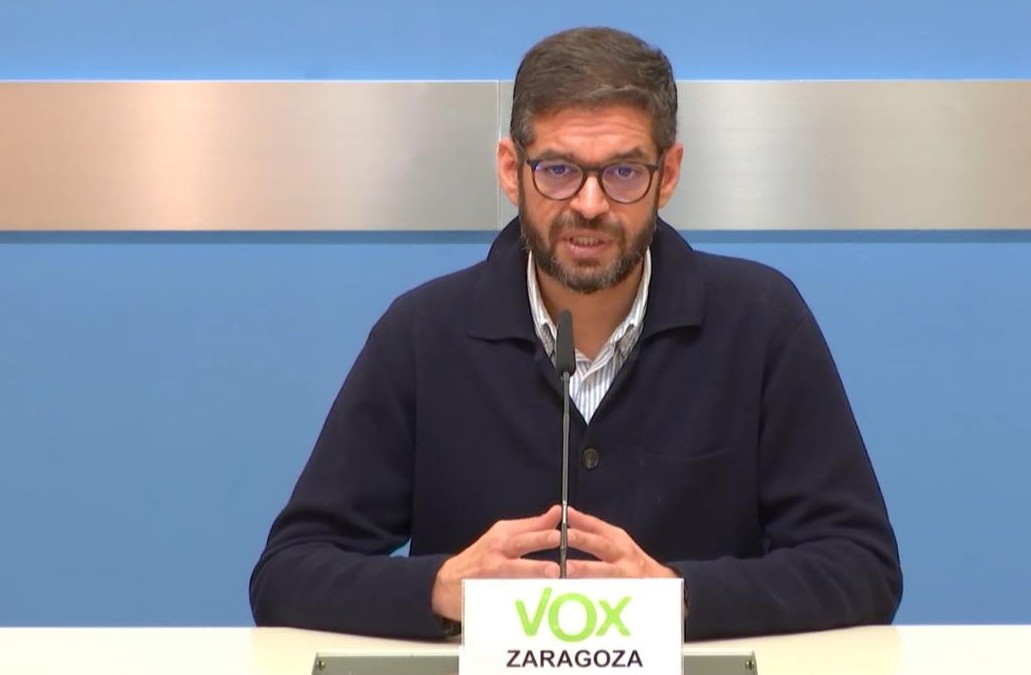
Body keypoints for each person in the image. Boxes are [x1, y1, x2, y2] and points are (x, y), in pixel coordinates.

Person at [249, 26, 901, 641]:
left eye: (623, 172)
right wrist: (441, 588)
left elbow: (862, 566)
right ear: (511, 170)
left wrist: (677, 595)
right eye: (558, 169)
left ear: (668, 175)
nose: (590, 204)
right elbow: (287, 574)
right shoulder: (423, 334)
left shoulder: (760, 320)